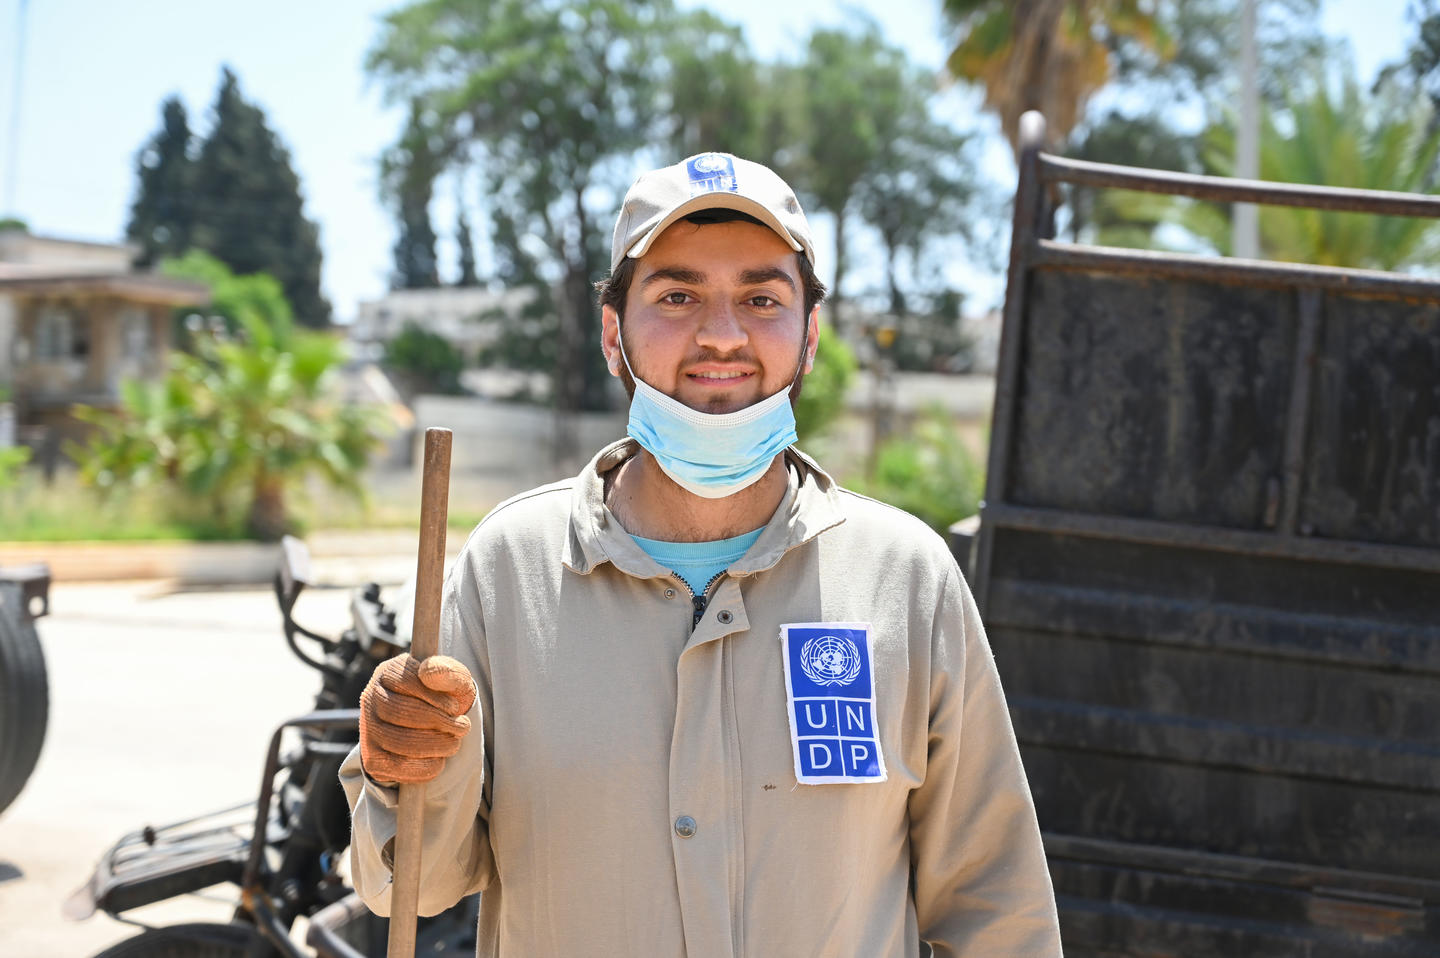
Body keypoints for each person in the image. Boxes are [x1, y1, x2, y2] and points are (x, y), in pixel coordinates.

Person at [340, 152, 1062, 957]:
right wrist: (400, 767)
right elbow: (415, 886)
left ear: (811, 336)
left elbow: (996, 903)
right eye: (677, 296)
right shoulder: (508, 571)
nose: (722, 335)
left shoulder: (905, 578)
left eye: (761, 298)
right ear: (614, 334)